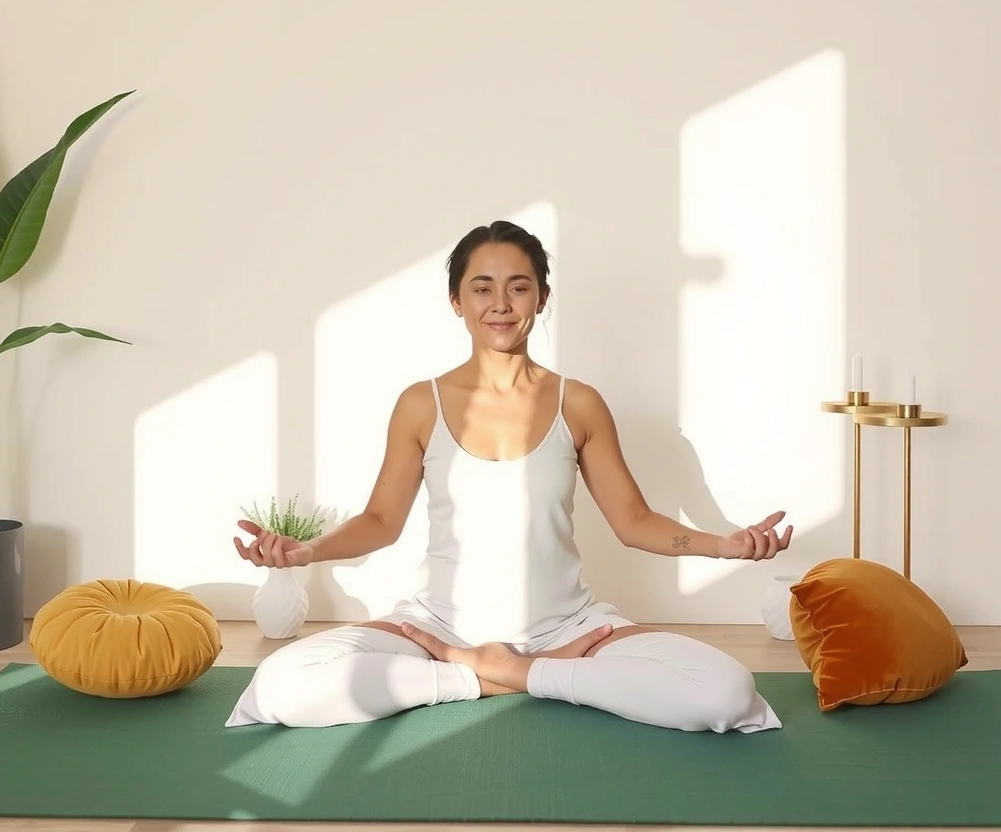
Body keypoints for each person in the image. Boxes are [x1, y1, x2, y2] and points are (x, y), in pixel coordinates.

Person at [226, 221, 793, 733]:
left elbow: (634, 521)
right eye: (482, 287)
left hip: (567, 631)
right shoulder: (421, 405)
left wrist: (725, 545)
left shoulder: (580, 404)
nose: (500, 303)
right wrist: (306, 553)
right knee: (280, 683)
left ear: (542, 297)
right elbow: (380, 521)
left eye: (519, 286)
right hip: (436, 633)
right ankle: (483, 675)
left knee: (725, 690)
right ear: (456, 301)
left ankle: (518, 671)